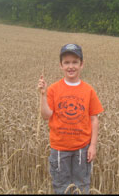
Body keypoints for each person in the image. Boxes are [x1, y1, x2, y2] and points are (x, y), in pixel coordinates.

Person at [37, 43, 104, 194]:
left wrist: (92, 146)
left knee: (82, 186)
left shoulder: (88, 90)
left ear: (82, 64)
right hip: (59, 149)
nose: (71, 66)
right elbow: (46, 115)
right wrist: (43, 94)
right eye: (66, 62)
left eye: (75, 62)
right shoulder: (53, 89)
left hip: (82, 149)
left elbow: (94, 119)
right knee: (61, 187)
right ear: (61, 65)